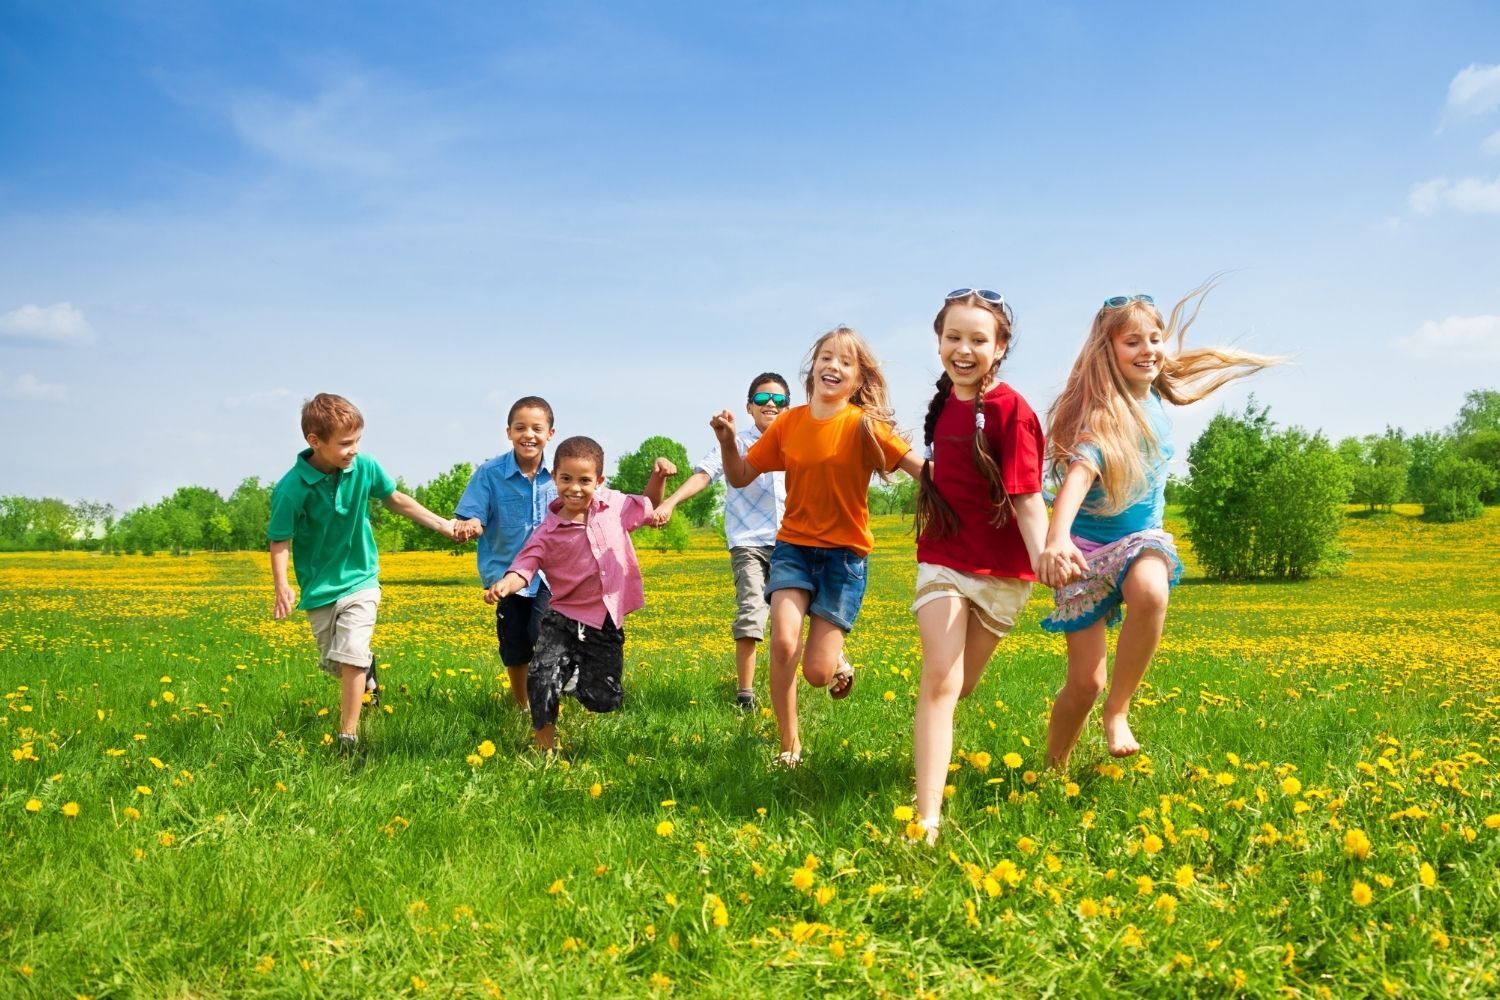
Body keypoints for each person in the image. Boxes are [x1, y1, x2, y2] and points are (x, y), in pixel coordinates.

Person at [1037, 281, 1281, 768]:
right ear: (1108, 352)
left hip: (1138, 540)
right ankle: (1052, 768)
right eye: (1133, 342)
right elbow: (1080, 474)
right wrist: (1057, 537)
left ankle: (1118, 712)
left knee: (1151, 590)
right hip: (1083, 553)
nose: (1148, 349)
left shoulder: (1154, 395)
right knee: (1084, 682)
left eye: (1155, 338)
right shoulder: (1103, 414)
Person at [712, 326, 925, 768]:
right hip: (793, 547)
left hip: (844, 560)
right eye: (827, 357)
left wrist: (979, 491)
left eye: (846, 362)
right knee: (784, 642)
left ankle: (837, 661)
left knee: (816, 673)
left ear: (858, 378)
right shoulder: (789, 423)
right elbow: (739, 475)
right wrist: (727, 441)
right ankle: (789, 747)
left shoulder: (865, 426)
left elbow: (919, 469)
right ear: (814, 367)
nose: (834, 366)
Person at [910, 289, 1048, 844]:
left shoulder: (1013, 410)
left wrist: (1048, 564)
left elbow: (1027, 499)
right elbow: (944, 476)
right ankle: (926, 820)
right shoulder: (942, 405)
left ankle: (931, 754)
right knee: (941, 679)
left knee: (959, 687)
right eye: (953, 338)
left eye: (977, 339)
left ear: (1000, 346)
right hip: (944, 557)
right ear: (939, 341)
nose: (963, 349)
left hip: (1005, 572)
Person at [269, 393, 461, 751]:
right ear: (315, 441)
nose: (354, 449)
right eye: (345, 443)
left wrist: (442, 526)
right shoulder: (291, 489)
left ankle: (348, 736)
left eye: (357, 440)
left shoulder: (365, 467)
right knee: (335, 662)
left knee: (352, 651)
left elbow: (396, 499)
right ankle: (368, 675)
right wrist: (282, 585)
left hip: (361, 578)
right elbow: (280, 539)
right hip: (320, 587)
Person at [483, 435, 675, 752]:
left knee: (603, 698)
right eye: (566, 479)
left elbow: (647, 507)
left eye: (584, 480)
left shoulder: (614, 506)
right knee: (541, 677)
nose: (574, 487)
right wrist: (506, 584)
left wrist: (658, 478)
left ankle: (574, 680)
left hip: (605, 620)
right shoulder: (547, 531)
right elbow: (525, 566)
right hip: (562, 617)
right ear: (555, 477)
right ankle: (546, 749)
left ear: (599, 480)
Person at [651, 373, 789, 710]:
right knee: (752, 611)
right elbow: (704, 474)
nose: (770, 404)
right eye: (761, 399)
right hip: (748, 543)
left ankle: (789, 690)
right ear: (749, 407)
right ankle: (745, 696)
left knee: (794, 615)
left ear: (788, 408)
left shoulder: (796, 441)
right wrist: (669, 503)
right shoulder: (736, 443)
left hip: (791, 541)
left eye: (778, 400)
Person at [453, 396, 557, 711]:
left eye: (537, 428)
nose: (529, 434)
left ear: (550, 433)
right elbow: (473, 515)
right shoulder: (489, 473)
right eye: (520, 427)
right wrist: (470, 524)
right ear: (508, 432)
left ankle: (547, 701)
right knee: (516, 643)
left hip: (550, 576)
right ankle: (521, 705)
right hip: (504, 575)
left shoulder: (559, 474)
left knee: (543, 634)